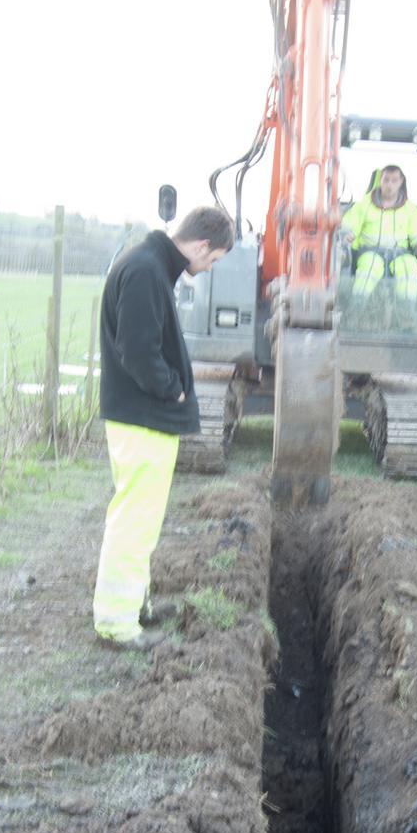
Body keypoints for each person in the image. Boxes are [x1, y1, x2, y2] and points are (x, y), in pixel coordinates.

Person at [92, 206, 234, 650]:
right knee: (133, 521)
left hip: (144, 419)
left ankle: (134, 606)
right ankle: (117, 624)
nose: (209, 268)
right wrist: (172, 389)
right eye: (213, 260)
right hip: (142, 419)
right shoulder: (145, 272)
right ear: (200, 246)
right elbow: (138, 351)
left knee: (143, 519)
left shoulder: (152, 267)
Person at [341, 165, 417, 301]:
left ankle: (407, 312)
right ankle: (357, 307)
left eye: (394, 181)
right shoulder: (364, 204)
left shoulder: (410, 209)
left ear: (401, 182)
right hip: (370, 252)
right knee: (370, 267)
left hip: (400, 254)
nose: (389, 185)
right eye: (386, 180)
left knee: (409, 267)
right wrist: (347, 234)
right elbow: (349, 224)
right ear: (380, 181)